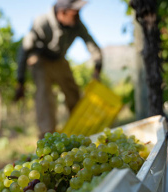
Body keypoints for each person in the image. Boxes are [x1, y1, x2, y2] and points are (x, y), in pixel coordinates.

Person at [15, 0, 103, 139]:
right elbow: (24, 48)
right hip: (40, 60)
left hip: (59, 59)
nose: (78, 16)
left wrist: (97, 67)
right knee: (44, 97)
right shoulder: (41, 22)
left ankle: (81, 131)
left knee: (73, 93)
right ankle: (47, 137)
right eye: (75, 13)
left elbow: (91, 44)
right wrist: (20, 81)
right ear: (63, 12)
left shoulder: (77, 24)